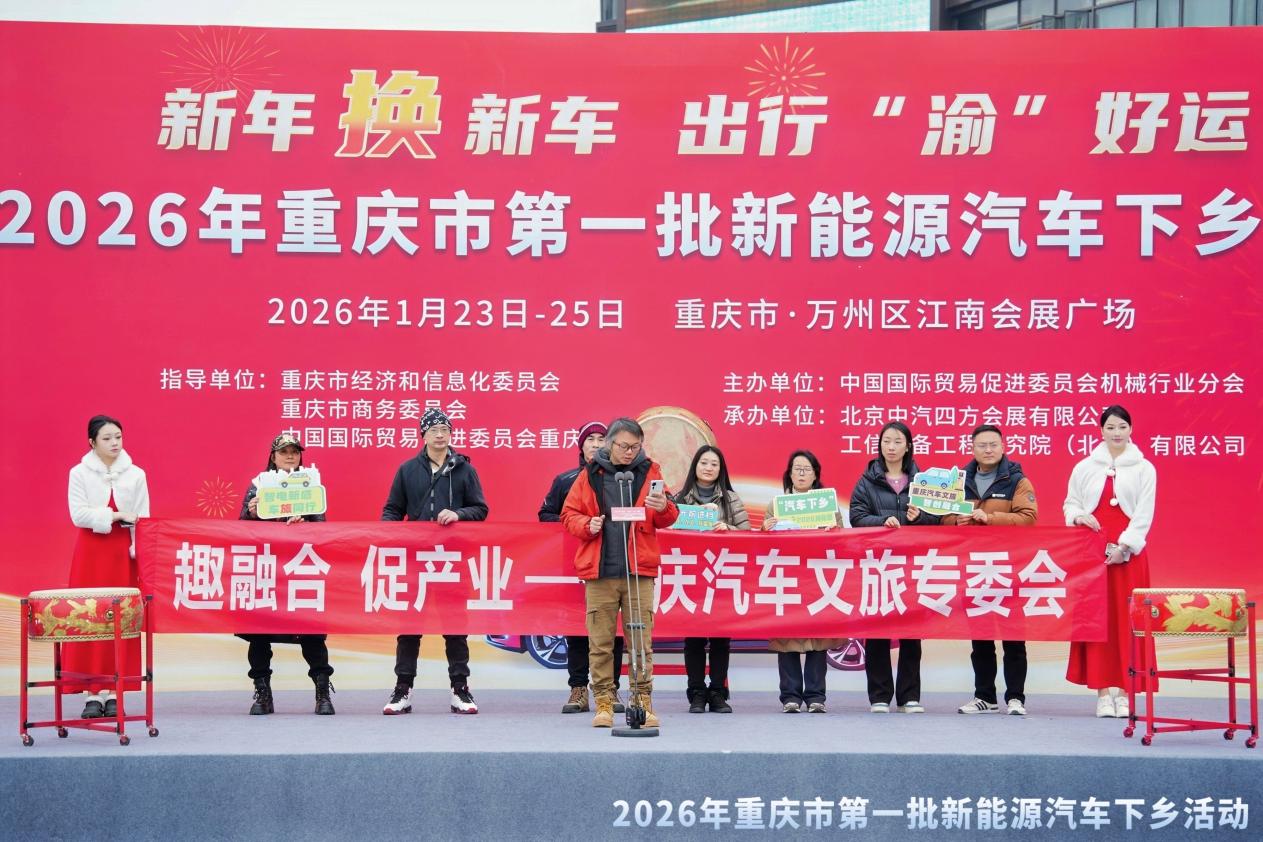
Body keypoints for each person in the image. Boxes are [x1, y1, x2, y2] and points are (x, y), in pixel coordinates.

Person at [561, 417, 678, 729]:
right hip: (600, 571)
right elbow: (568, 514)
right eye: (624, 446)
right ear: (610, 444)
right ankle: (604, 703)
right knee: (600, 642)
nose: (629, 452)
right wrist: (587, 524)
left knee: (641, 641)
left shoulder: (650, 472)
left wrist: (663, 506)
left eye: (635, 447)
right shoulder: (590, 475)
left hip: (639, 570)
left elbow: (669, 516)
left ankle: (642, 702)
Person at [381, 408, 489, 715]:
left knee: (455, 627)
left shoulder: (464, 470)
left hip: (451, 561)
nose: (440, 435)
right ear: (423, 435)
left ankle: (460, 689)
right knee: (409, 627)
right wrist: (389, 534)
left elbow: (481, 509)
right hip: (415, 561)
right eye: (433, 430)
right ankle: (402, 690)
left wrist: (459, 514)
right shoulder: (407, 470)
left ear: (451, 434)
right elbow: (392, 510)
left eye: (445, 429)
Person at [1064, 405, 1157, 719]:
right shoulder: (1085, 466)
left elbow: (1144, 513)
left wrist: (1125, 547)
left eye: (1122, 427)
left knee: (1128, 621)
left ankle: (1125, 693)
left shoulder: (1144, 468)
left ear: (1131, 429)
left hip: (1129, 556)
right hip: (1092, 553)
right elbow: (1071, 503)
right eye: (1110, 427)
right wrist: (1079, 516)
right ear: (1101, 431)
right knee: (1097, 621)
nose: (1117, 433)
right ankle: (1103, 693)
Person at [940, 425, 1038, 717]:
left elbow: (1029, 518)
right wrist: (955, 521)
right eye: (982, 445)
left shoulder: (1017, 480)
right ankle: (984, 696)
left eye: (993, 444)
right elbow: (941, 517)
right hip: (974, 567)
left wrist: (990, 518)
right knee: (980, 638)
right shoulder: (958, 481)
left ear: (1003, 447)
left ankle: (1016, 697)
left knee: (1013, 637)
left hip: (1009, 568)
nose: (988, 450)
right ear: (972, 449)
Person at [237, 433, 335, 716]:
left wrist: (306, 522)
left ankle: (322, 693)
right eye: (284, 452)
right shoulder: (259, 485)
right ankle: (263, 694)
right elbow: (240, 528)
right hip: (267, 569)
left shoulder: (311, 484)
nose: (290, 456)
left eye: (295, 451)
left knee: (312, 634)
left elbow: (322, 526)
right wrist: (252, 514)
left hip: (300, 568)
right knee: (259, 634)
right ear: (273, 457)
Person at [849, 421, 940, 714]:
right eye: (886, 441)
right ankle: (879, 696)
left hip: (913, 565)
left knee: (912, 632)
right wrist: (881, 521)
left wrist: (920, 517)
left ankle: (909, 696)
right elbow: (856, 516)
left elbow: (939, 519)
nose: (891, 447)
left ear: (908, 446)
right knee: (878, 630)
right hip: (879, 564)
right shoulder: (867, 480)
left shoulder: (923, 481)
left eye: (897, 441)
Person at [538, 420, 625, 715]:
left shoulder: (622, 478)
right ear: (581, 445)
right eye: (591, 439)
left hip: (612, 563)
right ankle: (578, 688)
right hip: (576, 564)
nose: (596, 444)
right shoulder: (566, 480)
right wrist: (579, 525)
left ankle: (610, 688)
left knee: (611, 629)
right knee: (576, 627)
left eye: (602, 439)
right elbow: (546, 515)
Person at [65, 415, 150, 719]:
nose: (115, 443)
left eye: (118, 437)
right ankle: (91, 693)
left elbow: (143, 518)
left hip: (122, 554)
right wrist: (114, 516)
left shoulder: (136, 474)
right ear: (92, 442)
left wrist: (138, 550)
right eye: (107, 438)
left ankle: (116, 691)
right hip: (90, 553)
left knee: (120, 618)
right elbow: (78, 515)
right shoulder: (79, 473)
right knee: (89, 617)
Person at [764, 450, 845, 713]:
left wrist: (833, 531)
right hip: (787, 576)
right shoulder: (777, 505)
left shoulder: (828, 504)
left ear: (815, 475)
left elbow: (841, 540)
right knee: (786, 636)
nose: (801, 474)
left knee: (817, 638)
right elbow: (763, 545)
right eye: (796, 469)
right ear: (789, 474)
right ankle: (790, 696)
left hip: (817, 576)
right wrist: (766, 529)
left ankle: (815, 696)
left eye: (806, 469)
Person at [672, 445, 750, 714]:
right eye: (704, 462)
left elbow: (748, 534)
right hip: (691, 576)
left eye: (714, 464)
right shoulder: (680, 498)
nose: (708, 468)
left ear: (721, 469)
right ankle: (696, 692)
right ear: (695, 466)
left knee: (720, 638)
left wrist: (728, 529)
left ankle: (717, 692)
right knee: (693, 637)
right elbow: (668, 531)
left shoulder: (731, 499)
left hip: (722, 574)